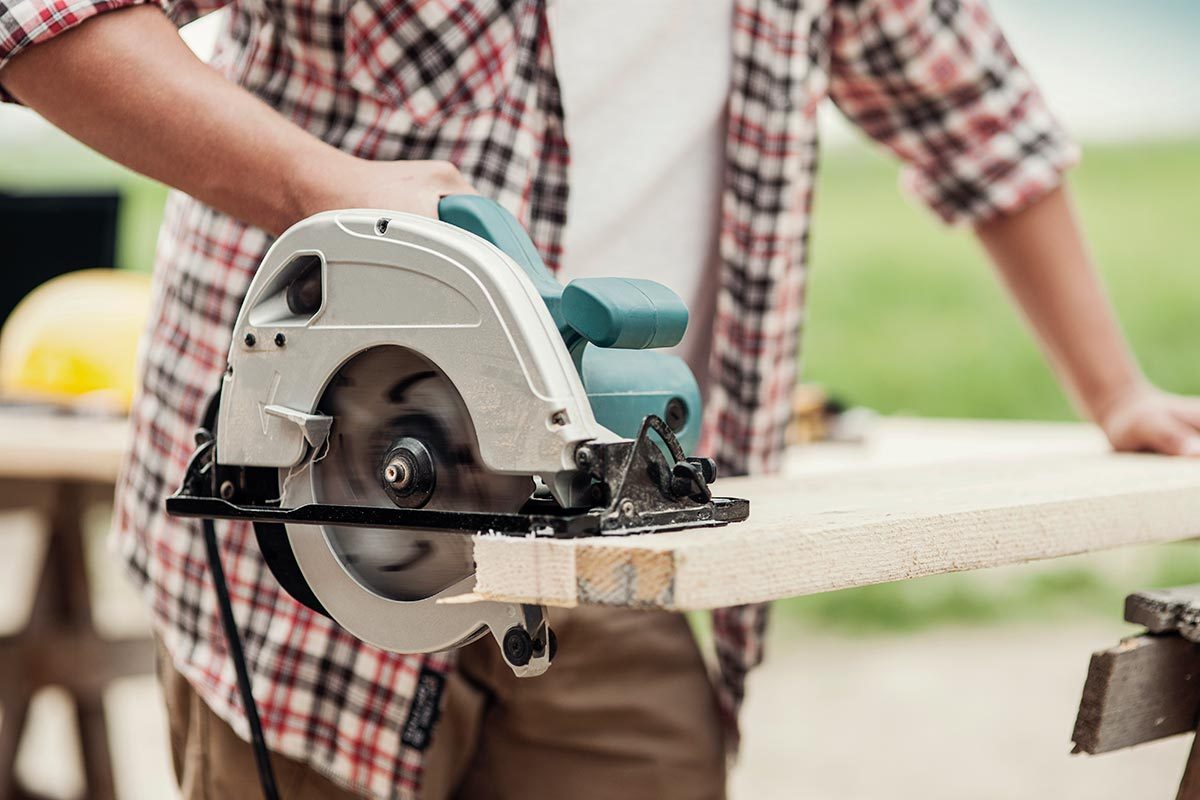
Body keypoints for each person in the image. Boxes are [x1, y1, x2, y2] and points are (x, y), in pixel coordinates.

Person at [2, 1, 1198, 798]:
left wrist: (1117, 389)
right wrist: (323, 183)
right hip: (320, 521)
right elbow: (44, 20)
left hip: (621, 516)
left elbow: (978, 119)